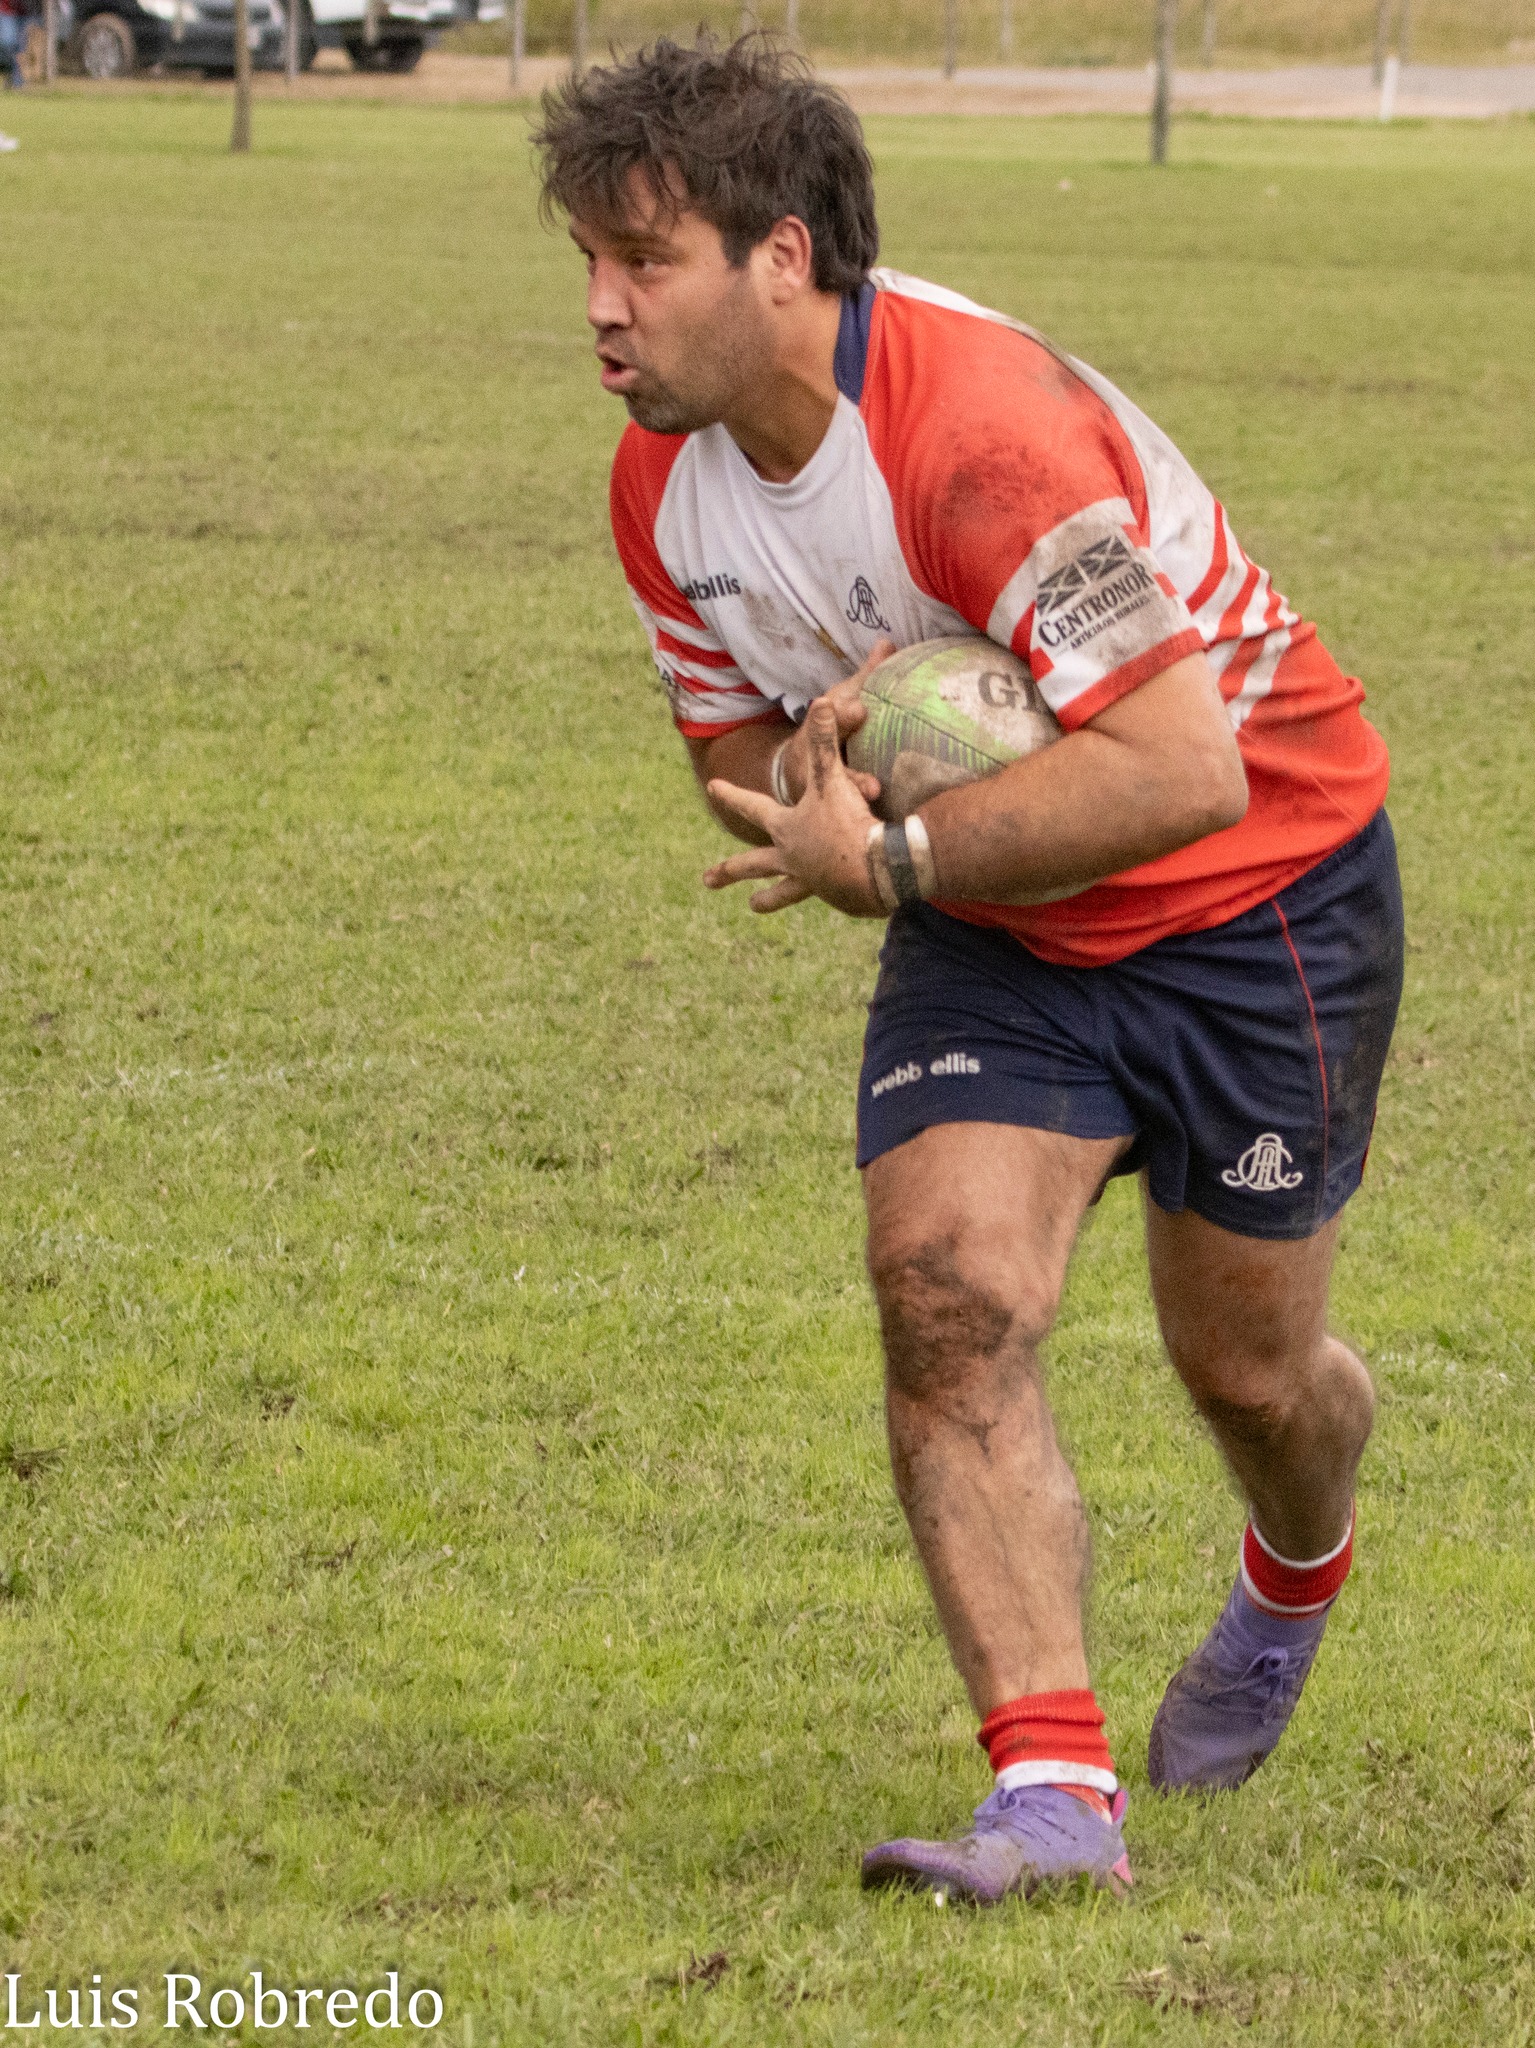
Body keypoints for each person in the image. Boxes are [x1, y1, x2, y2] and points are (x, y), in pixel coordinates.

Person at [534, 36, 1402, 1903]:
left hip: (1256, 898)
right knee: (945, 1299)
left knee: (1248, 1375)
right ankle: (1053, 1799)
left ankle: (1293, 1572)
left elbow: (1187, 767)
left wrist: (898, 851)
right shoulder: (663, 485)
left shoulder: (976, 439)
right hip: (1004, 936)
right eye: (585, 263)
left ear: (783, 259)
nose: (601, 309)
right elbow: (735, 759)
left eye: (642, 261)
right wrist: (828, 779)